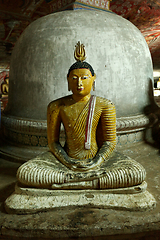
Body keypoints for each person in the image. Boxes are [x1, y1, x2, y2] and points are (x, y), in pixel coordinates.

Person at [17, 42, 146, 190]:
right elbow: (53, 143)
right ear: (67, 80)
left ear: (93, 78)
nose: (79, 83)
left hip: (97, 161)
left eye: (84, 78)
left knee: (136, 173)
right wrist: (67, 161)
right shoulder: (56, 106)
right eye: (74, 78)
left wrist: (96, 161)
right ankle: (90, 183)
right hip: (66, 161)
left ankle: (69, 183)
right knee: (26, 173)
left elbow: (110, 142)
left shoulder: (105, 105)